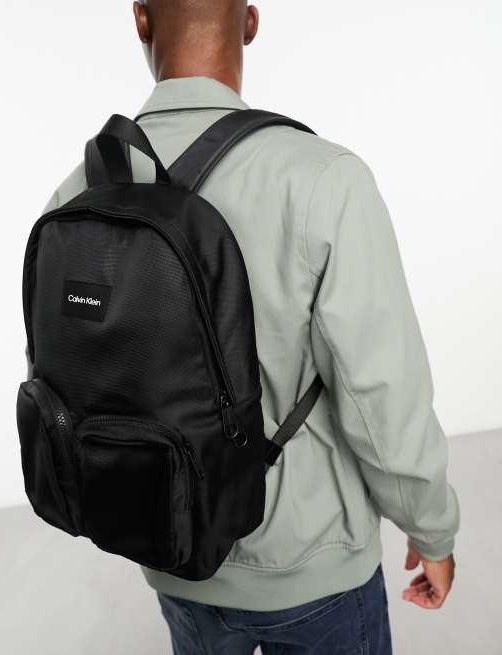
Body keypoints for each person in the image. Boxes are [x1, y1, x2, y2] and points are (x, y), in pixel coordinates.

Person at [44, 1, 460, 652]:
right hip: (311, 563)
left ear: (141, 20)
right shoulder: (320, 178)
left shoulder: (79, 193)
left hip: (172, 550)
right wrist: (431, 527)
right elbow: (380, 390)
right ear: (250, 23)